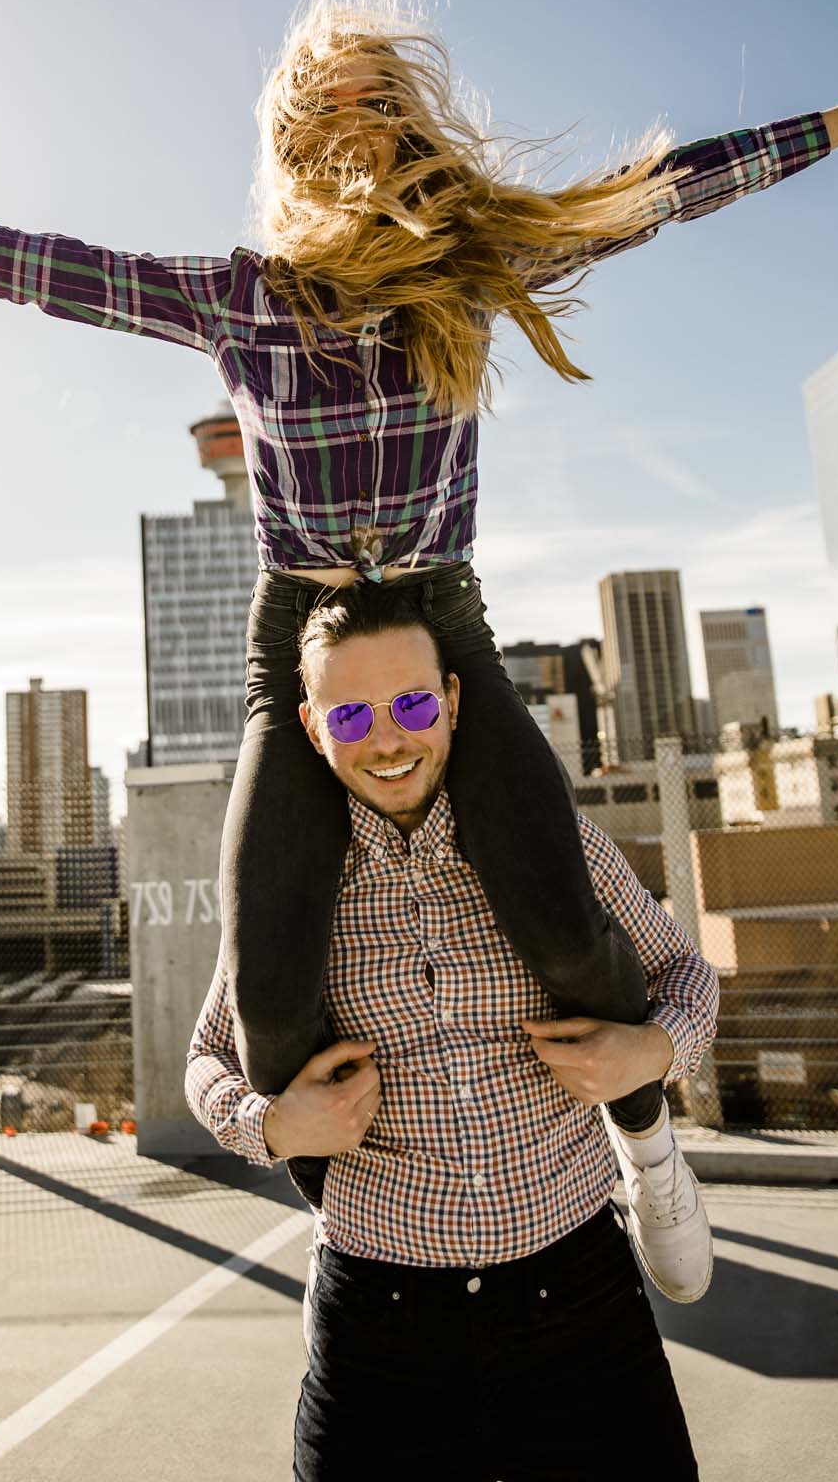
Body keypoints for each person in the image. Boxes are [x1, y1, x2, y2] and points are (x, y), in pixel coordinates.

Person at [0, 0, 838, 1273]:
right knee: (266, 957)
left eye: (384, 104)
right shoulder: (239, 295)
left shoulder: (473, 263)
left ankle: (647, 1146)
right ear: (300, 142)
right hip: (297, 643)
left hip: (444, 624)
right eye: (336, 109)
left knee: (552, 908)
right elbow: (47, 272)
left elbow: (663, 190)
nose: (365, 129)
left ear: (411, 125)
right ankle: (353, 1219)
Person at [185, 580, 719, 1480]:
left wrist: (650, 1052)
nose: (387, 739)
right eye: (349, 717)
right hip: (377, 1325)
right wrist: (271, 1126)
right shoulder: (292, 890)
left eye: (412, 704)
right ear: (312, 730)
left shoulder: (555, 849)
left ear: (456, 700)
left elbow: (684, 975)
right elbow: (206, 1061)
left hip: (577, 1297)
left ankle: (652, 1154)